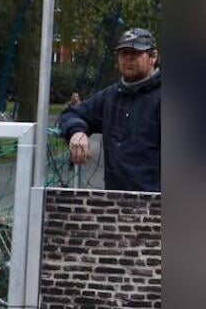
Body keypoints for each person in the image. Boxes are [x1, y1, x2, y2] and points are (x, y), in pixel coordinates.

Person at [57, 27, 161, 192]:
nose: (128, 58)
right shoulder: (111, 96)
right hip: (114, 202)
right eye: (123, 53)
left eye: (135, 53)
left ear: (153, 57)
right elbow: (72, 114)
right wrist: (77, 132)